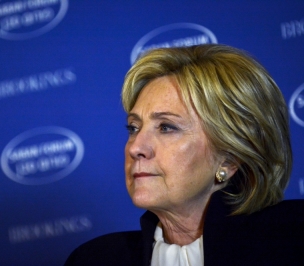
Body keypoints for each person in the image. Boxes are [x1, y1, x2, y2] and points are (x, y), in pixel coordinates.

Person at [64, 44, 304, 265]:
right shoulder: (94, 259)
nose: (136, 147)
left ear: (229, 158)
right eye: (133, 128)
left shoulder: (292, 239)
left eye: (166, 127)